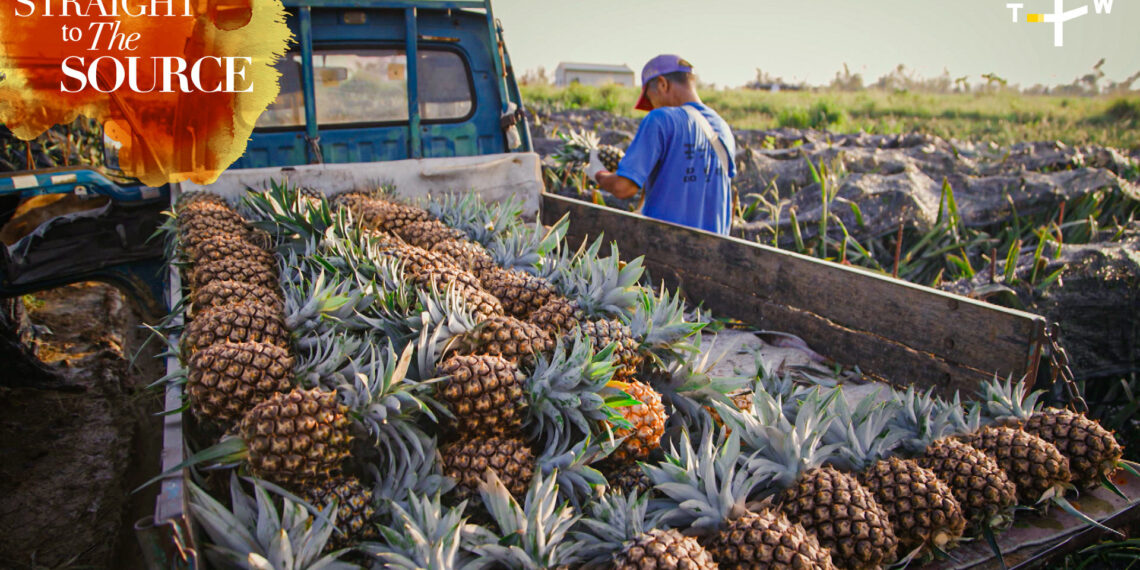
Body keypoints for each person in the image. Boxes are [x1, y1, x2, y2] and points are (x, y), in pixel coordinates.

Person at [586, 54, 736, 235]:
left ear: (662, 84)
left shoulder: (661, 119)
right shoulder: (723, 128)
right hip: (717, 249)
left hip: (666, 247)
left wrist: (598, 173)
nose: (652, 106)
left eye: (650, 98)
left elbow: (623, 187)